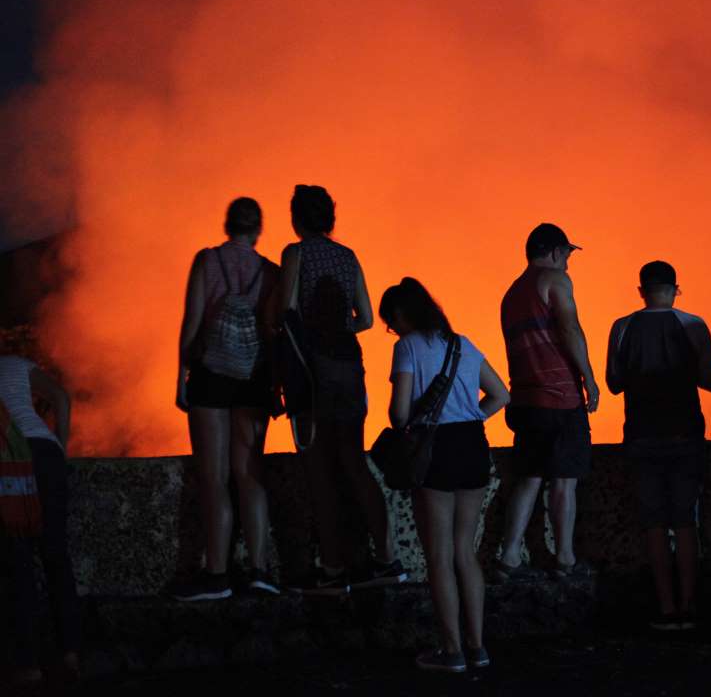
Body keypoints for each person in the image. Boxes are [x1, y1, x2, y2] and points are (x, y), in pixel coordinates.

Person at [279, 184, 405, 593]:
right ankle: (385, 558)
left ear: (297, 218)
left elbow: (286, 310)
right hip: (350, 370)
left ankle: (332, 568)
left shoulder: (295, 254)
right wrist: (339, 329)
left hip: (312, 373)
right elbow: (366, 318)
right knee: (354, 464)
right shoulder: (348, 257)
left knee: (320, 471)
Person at [380, 278, 509, 673]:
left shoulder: (407, 348)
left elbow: (400, 414)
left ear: (401, 314)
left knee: (438, 556)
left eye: (390, 322)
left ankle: (451, 650)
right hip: (472, 445)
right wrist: (471, 419)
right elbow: (501, 394)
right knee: (464, 552)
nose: (392, 329)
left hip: (433, 451)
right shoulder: (462, 344)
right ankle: (478, 647)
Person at [171, 197, 281, 599]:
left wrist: (181, 376)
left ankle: (216, 574)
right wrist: (274, 386)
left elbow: (192, 321)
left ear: (227, 224)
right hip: (252, 380)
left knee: (214, 476)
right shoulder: (272, 272)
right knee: (250, 474)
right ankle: (259, 569)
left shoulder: (207, 261)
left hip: (210, 378)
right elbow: (274, 334)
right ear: (258, 230)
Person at [605, 261, 711, 631]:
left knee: (653, 523)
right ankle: (689, 605)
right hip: (685, 434)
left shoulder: (622, 327)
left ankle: (666, 608)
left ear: (641, 290)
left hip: (641, 435)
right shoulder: (694, 325)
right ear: (675, 288)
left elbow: (614, 383)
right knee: (686, 522)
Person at [496, 223, 599, 580]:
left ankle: (508, 555)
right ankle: (565, 557)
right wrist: (589, 378)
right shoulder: (555, 281)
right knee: (564, 481)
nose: (568, 263)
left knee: (528, 477)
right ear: (555, 252)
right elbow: (570, 329)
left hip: (525, 398)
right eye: (567, 255)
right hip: (560, 397)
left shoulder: (511, 294)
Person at [0, 354, 80, 689]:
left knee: (16, 560)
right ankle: (71, 654)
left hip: (8, 461)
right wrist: (61, 444)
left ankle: (28, 663)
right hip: (44, 451)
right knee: (56, 555)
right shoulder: (14, 364)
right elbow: (60, 397)